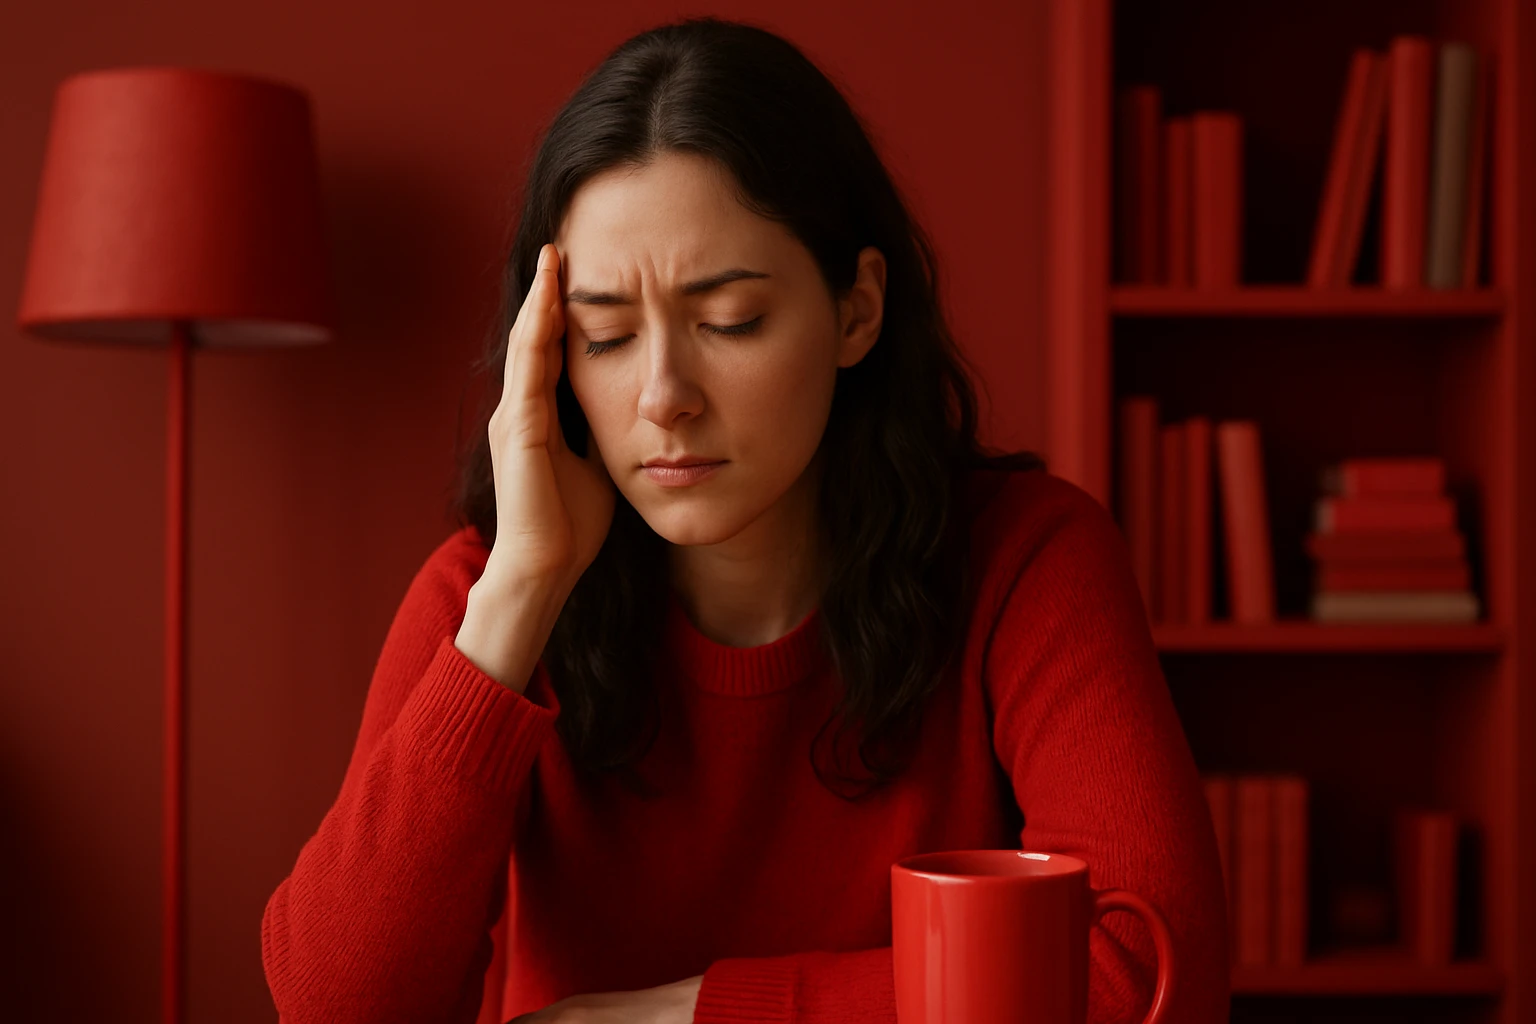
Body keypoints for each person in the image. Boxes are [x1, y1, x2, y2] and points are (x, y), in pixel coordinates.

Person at [261, 15, 1229, 1024]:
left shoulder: (1028, 560)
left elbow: (1157, 977)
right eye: (606, 335)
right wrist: (521, 593)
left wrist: (682, 1015)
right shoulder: (486, 595)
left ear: (857, 309)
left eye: (730, 321)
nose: (663, 393)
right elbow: (336, 1007)